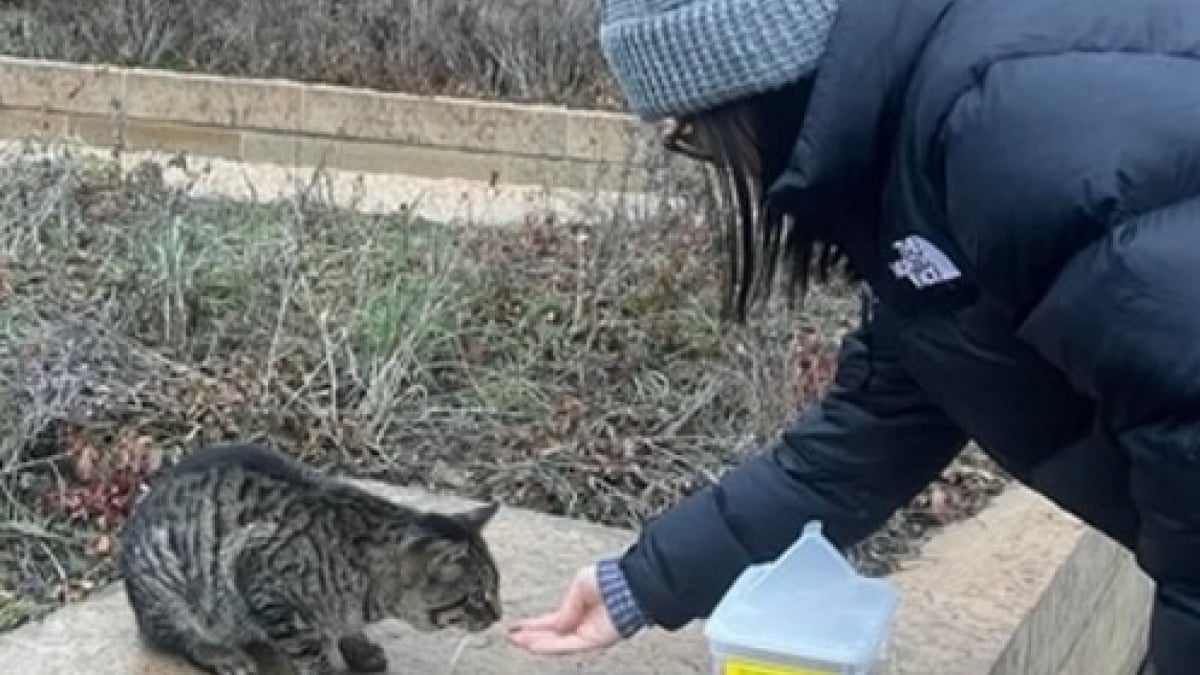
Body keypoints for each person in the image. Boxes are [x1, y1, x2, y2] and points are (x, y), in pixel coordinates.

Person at [504, 0, 1200, 672]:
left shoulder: (1005, 125)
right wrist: (643, 583)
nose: (715, 160)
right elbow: (879, 423)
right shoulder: (930, 130)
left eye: (693, 131)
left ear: (758, 74)